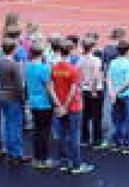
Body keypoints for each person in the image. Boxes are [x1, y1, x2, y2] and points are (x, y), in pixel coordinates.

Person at [51, 40, 94, 174]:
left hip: (60, 105)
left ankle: (63, 162)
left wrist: (58, 104)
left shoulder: (55, 67)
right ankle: (76, 164)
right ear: (70, 51)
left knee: (63, 134)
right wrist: (65, 105)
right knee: (75, 135)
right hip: (73, 106)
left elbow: (51, 87)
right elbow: (73, 90)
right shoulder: (74, 69)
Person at [25, 43, 57, 169]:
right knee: (45, 132)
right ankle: (44, 159)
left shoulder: (28, 67)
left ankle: (37, 158)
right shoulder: (45, 69)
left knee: (37, 131)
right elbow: (50, 88)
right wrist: (57, 103)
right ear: (42, 54)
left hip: (33, 102)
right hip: (44, 103)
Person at [0, 38, 27, 164]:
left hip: (2, 96)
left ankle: (10, 152)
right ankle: (16, 154)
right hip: (14, 97)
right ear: (13, 50)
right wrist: (23, 99)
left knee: (8, 125)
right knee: (15, 126)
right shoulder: (14, 65)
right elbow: (19, 85)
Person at [107, 40, 129, 154]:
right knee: (128, 120)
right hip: (127, 95)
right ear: (128, 51)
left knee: (117, 119)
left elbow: (109, 78)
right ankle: (127, 144)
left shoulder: (113, 62)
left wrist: (112, 92)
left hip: (116, 95)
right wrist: (117, 92)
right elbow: (128, 82)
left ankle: (117, 142)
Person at [79, 34, 105, 149]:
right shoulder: (96, 60)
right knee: (96, 116)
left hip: (84, 89)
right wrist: (94, 89)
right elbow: (95, 76)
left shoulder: (80, 60)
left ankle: (84, 138)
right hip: (95, 90)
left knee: (85, 115)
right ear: (92, 47)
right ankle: (97, 140)